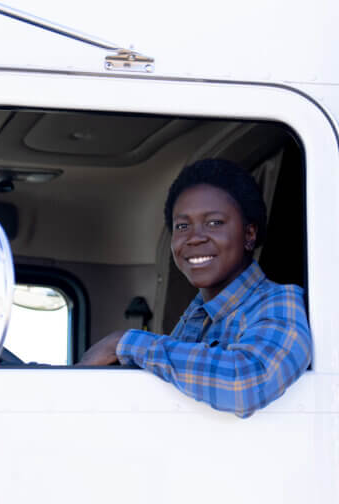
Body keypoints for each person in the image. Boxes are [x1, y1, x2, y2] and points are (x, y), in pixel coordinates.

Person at [77, 159, 311, 418]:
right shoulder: (197, 315)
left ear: (249, 234)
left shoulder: (280, 302)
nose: (195, 237)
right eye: (182, 226)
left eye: (214, 223)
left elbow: (245, 384)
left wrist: (123, 342)